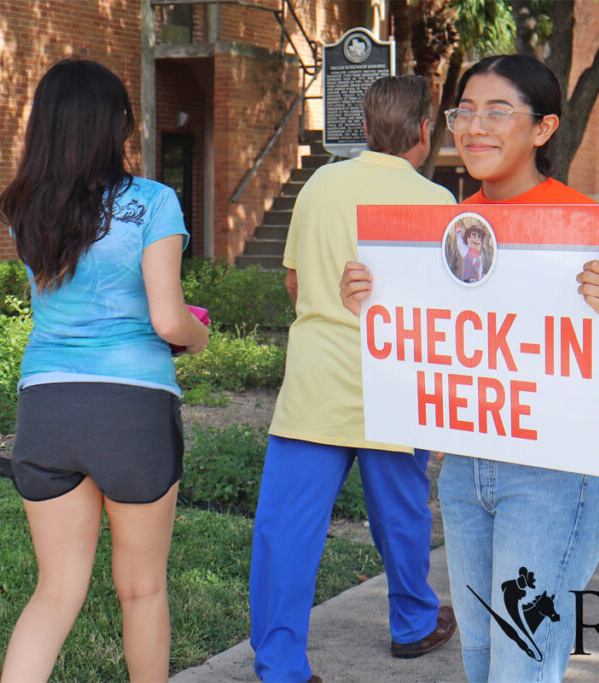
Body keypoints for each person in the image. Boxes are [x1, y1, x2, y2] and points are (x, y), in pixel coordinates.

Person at [340, 54, 599, 682]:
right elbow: (426, 349)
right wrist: (370, 303)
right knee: (481, 659)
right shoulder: (442, 230)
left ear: (543, 128)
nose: (475, 127)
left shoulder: (581, 227)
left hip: (555, 475)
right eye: (465, 111)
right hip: (466, 470)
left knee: (520, 665)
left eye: (498, 112)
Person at [0, 58, 209, 683]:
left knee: (55, 594)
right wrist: (198, 337)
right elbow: (169, 321)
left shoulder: (27, 208)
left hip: (46, 405)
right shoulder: (154, 202)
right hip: (131, 408)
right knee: (141, 590)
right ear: (113, 125)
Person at [249, 75, 458, 683]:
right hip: (397, 384)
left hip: (318, 379)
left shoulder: (318, 185)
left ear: (364, 129)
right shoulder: (438, 203)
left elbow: (294, 282)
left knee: (286, 530)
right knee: (402, 514)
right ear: (425, 132)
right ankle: (415, 624)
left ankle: (281, 665)